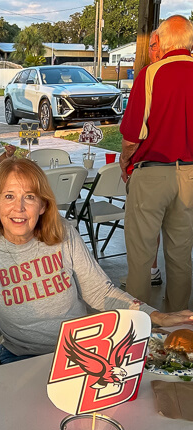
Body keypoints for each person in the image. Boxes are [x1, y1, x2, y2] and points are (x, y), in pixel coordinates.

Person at [0, 157, 193, 378]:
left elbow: (99, 292)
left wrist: (154, 314)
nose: (19, 208)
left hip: (82, 349)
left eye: (29, 197)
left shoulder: (64, 233)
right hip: (22, 358)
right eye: (9, 196)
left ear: (43, 205)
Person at [120, 15, 193, 311]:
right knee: (180, 254)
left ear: (162, 41)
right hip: (189, 175)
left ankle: (141, 330)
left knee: (140, 256)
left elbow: (131, 138)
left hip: (152, 172)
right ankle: (178, 327)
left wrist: (126, 164)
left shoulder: (151, 74)